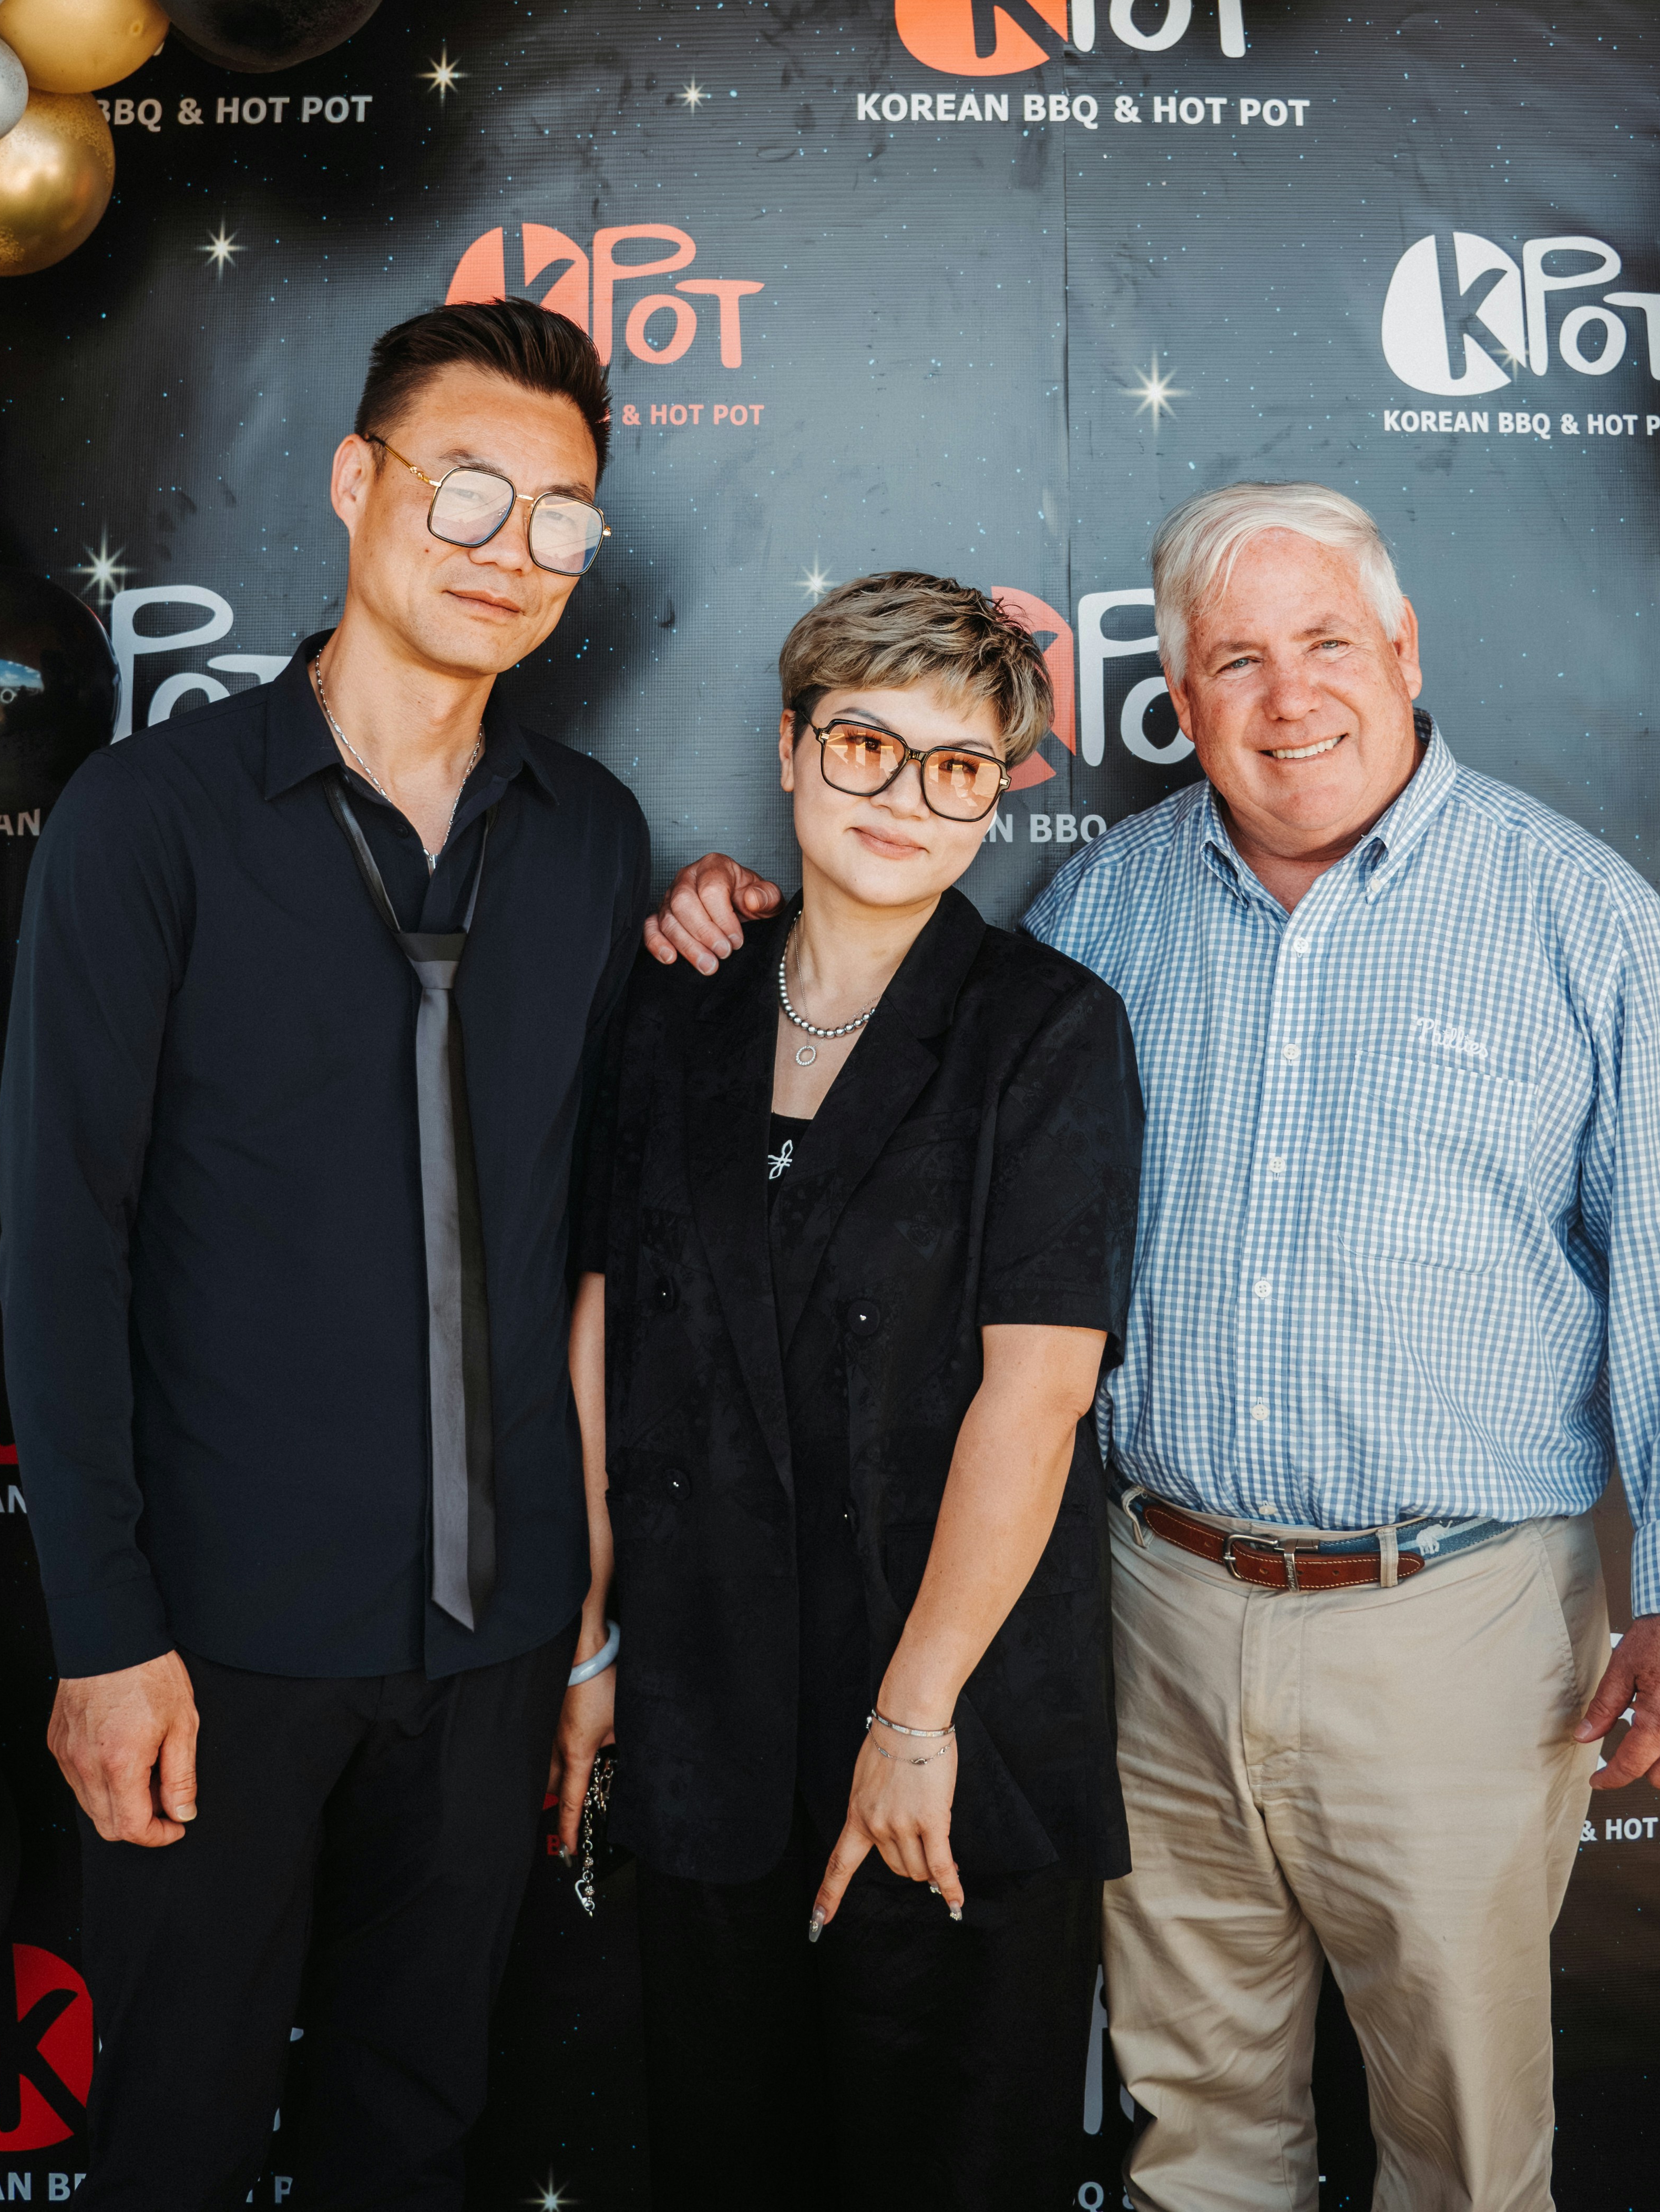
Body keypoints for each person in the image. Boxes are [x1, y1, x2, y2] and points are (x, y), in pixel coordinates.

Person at [646, 482, 1660, 2212]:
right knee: (1198, 2138)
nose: (1288, 697)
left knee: (1468, 2158)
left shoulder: (1576, 909)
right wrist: (726, 917)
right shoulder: (1100, 914)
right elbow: (891, 1037)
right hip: (1152, 1614)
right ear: (1175, 703)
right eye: (1233, 662)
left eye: (1328, 643)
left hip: (1455, 1625)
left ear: (1405, 651)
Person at [0, 300, 650, 2212]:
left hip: (500, 1634)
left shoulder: (594, 840)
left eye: (561, 518)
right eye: (466, 488)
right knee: (178, 2140)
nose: (507, 548)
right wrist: (105, 1635)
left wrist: (586, 1625)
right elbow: (60, 1241)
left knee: (419, 2131)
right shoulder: (153, 821)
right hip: (217, 1638)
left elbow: (589, 1236)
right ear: (359, 483)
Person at [566, 572, 1143, 2212]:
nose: (904, 796)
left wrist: (916, 1719)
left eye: (959, 765)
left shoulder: (1049, 1031)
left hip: (952, 1722)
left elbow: (1033, 1408)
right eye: (868, 745)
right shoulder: (679, 1003)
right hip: (705, 1712)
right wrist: (594, 1634)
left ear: (1001, 792)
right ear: (792, 747)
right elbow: (607, 1326)